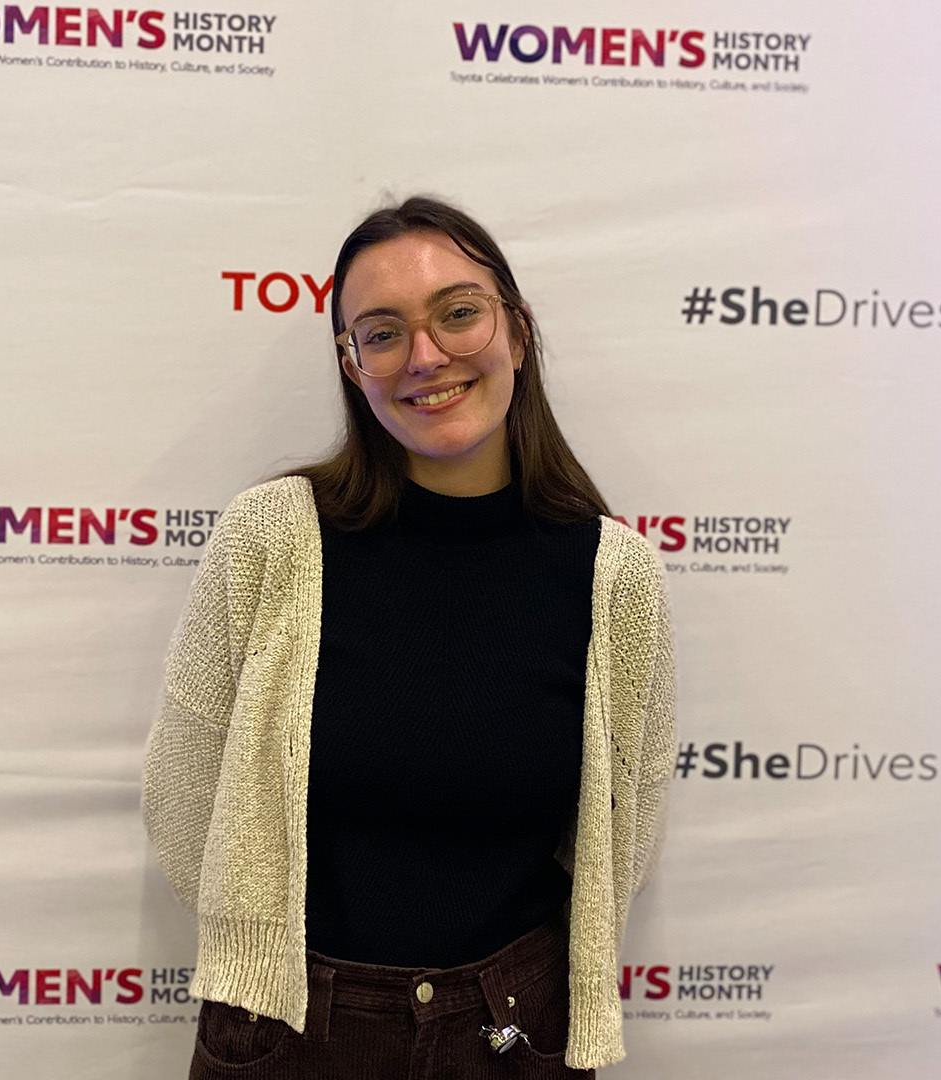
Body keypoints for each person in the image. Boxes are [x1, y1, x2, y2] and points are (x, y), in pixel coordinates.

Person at [142, 195, 677, 1077]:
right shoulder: (274, 538)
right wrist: (266, 952)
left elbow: (626, 832)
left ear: (517, 330)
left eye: (458, 314)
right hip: (287, 1022)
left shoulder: (613, 576)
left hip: (513, 1028)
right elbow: (187, 793)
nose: (426, 357)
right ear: (352, 365)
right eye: (382, 333)